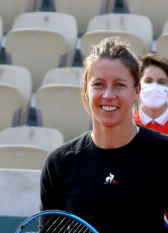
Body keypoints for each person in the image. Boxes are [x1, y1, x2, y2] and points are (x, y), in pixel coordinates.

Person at [40, 37, 168, 232]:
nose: (108, 95)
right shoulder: (59, 164)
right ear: (86, 90)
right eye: (98, 84)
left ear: (136, 91)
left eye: (119, 84)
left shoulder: (163, 153)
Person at [133, 53, 168, 134]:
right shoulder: (127, 123)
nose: (154, 86)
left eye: (161, 82)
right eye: (148, 81)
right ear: (138, 85)